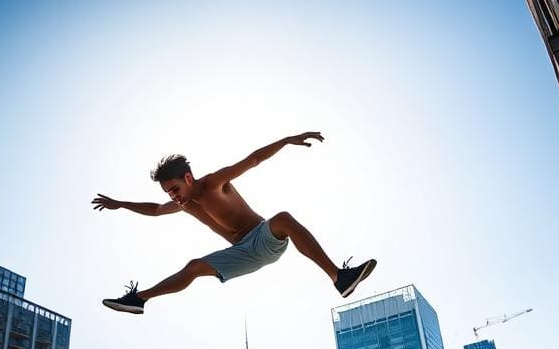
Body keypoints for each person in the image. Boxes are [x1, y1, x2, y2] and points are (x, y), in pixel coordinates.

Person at [91, 131, 376, 314]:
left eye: (175, 189)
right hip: (242, 254)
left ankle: (339, 277)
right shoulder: (187, 205)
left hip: (264, 240)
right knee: (193, 267)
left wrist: (288, 140)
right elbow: (155, 211)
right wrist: (119, 204)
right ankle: (139, 299)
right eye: (169, 193)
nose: (174, 197)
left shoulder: (215, 183)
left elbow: (253, 160)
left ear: (188, 178)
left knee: (283, 219)